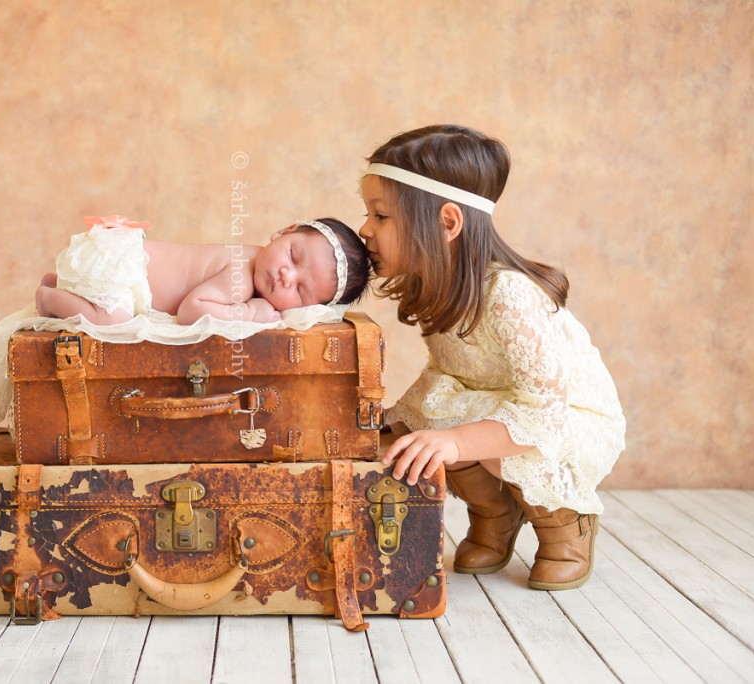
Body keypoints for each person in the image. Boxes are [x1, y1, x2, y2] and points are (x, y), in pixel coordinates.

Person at [361, 125, 625, 591]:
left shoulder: (510, 296)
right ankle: (495, 513)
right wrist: (402, 425)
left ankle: (567, 522)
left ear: (447, 223)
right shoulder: (440, 288)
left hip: (567, 422)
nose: (365, 229)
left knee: (455, 436)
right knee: (426, 424)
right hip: (493, 404)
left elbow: (543, 416)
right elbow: (448, 378)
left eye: (380, 216)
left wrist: (455, 443)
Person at [35, 215, 371, 325]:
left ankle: (64, 288)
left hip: (119, 261)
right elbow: (190, 311)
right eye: (293, 257)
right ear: (284, 231)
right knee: (113, 318)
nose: (286, 275)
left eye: (299, 291)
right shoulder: (241, 275)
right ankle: (48, 296)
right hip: (117, 263)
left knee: (114, 312)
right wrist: (251, 312)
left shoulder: (254, 260)